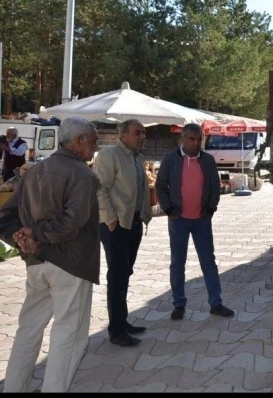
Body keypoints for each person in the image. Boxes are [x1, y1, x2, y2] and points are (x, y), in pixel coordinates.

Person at [0, 117, 100, 392]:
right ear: (78, 141)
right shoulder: (84, 175)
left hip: (38, 262)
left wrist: (22, 238)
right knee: (69, 334)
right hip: (70, 264)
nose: (96, 146)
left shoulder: (35, 171)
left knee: (28, 330)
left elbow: (5, 217)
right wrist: (31, 236)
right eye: (93, 140)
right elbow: (72, 222)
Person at [155, 123, 234, 321]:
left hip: (201, 221)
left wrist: (211, 208)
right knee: (177, 263)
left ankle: (216, 303)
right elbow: (160, 186)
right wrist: (169, 209)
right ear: (182, 139)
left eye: (200, 139)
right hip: (178, 220)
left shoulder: (207, 160)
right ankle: (178, 304)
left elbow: (215, 187)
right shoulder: (170, 159)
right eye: (192, 139)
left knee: (208, 262)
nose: (196, 143)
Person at [93, 119, 152, 347]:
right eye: (137, 133)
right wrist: (110, 220)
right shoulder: (109, 156)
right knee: (117, 276)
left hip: (134, 223)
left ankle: (122, 321)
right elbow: (100, 188)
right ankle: (116, 330)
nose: (142, 137)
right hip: (116, 225)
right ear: (123, 135)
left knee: (125, 272)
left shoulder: (137, 157)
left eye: (144, 133)